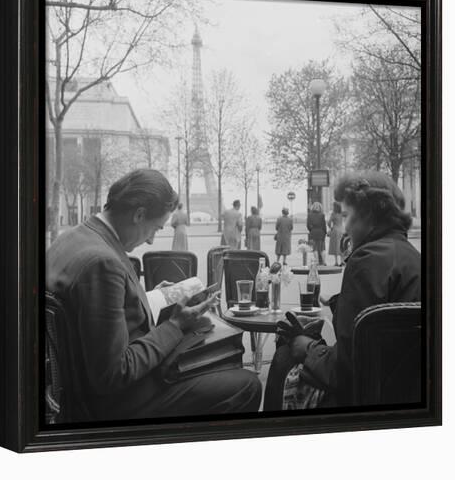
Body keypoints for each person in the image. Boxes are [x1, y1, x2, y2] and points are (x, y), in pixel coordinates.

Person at [46, 169, 261, 422]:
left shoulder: (73, 238)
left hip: (77, 387)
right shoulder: (102, 264)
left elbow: (98, 316)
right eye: (155, 229)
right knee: (246, 383)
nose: (150, 241)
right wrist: (176, 325)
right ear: (139, 215)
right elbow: (115, 374)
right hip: (115, 402)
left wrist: (153, 296)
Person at [263, 171, 421, 410]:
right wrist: (338, 305)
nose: (345, 226)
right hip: (406, 393)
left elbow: (346, 371)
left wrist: (307, 347)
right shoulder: (412, 255)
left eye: (347, 215)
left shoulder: (365, 261)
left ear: (368, 214)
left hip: (360, 397)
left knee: (284, 355)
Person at [327, 201, 344, 266]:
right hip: (341, 230)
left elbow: (329, 222)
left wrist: (331, 228)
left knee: (335, 246)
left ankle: (336, 262)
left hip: (335, 230)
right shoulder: (342, 213)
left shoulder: (333, 214)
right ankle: (342, 261)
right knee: (342, 246)